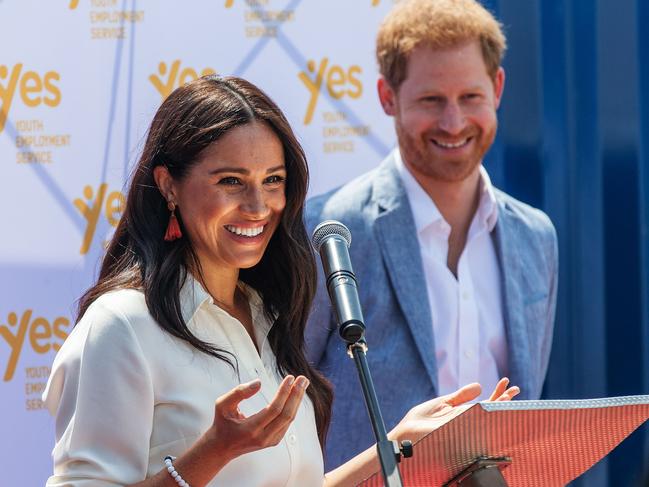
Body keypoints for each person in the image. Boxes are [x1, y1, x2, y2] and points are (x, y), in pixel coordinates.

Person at [43, 75, 518, 487]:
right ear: (169, 185)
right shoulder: (122, 324)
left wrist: (400, 443)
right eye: (231, 181)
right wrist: (212, 452)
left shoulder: (264, 313)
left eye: (273, 180)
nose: (258, 206)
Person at [305, 0, 558, 470]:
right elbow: (288, 409)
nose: (454, 122)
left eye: (470, 97)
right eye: (431, 100)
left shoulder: (535, 237)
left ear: (497, 88)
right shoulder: (329, 232)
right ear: (387, 97)